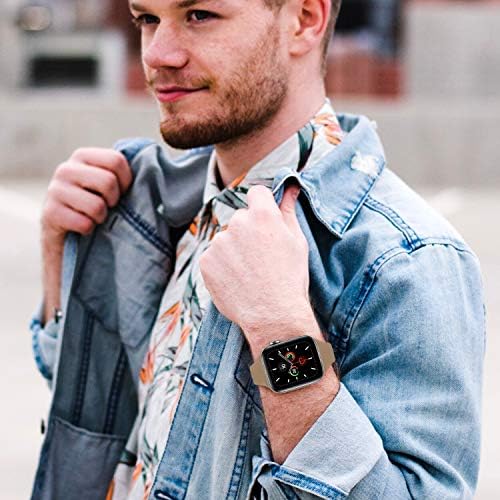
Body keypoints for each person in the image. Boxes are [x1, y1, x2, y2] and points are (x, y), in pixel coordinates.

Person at [30, 0, 485, 498]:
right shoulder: (152, 204)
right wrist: (60, 257)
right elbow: (103, 406)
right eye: (147, 19)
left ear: (304, 19)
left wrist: (280, 332)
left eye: (199, 15)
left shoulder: (406, 258)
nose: (158, 54)